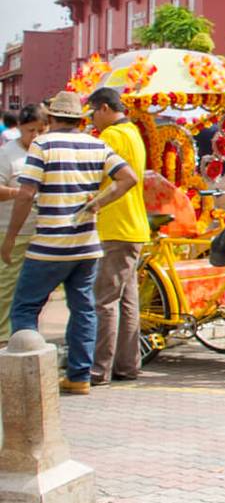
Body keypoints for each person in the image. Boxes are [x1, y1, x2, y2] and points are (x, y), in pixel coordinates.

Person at [2, 91, 138, 395]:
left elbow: (25, 194)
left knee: (24, 308)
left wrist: (10, 237)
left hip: (49, 244)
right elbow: (128, 177)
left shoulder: (43, 144)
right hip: (86, 245)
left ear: (51, 118)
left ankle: (27, 374)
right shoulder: (97, 144)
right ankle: (79, 376)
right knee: (84, 309)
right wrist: (99, 202)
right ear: (79, 119)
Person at [86, 88, 150, 386]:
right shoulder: (134, 132)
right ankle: (127, 365)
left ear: (103, 108)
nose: (92, 121)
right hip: (134, 226)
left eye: (92, 114)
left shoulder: (111, 137)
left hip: (115, 226)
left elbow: (96, 177)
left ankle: (99, 369)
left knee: (105, 301)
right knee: (127, 302)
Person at [0, 104, 44, 345]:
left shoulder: (45, 151)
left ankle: (26, 335)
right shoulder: (7, 154)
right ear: (19, 129)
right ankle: (3, 338)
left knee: (32, 290)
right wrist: (20, 193)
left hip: (40, 231)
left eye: (40, 130)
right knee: (6, 287)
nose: (35, 136)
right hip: (9, 229)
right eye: (30, 131)